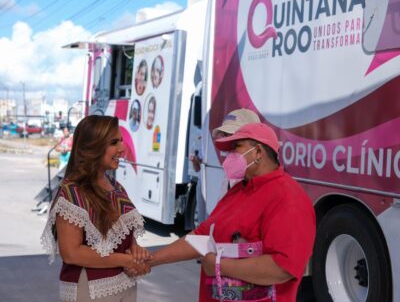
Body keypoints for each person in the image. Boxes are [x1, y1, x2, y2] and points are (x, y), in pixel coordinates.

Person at [147, 122, 316, 302]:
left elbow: (283, 267)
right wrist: (151, 260)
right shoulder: (239, 190)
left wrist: (220, 266)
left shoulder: (288, 197)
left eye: (236, 147)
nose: (229, 156)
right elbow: (201, 236)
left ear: (258, 152)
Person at [41, 115, 151, 302]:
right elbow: (71, 253)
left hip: (124, 283)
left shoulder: (116, 187)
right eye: (114, 142)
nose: (122, 148)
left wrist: (136, 251)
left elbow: (123, 238)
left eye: (121, 140)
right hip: (91, 289)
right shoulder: (72, 192)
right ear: (93, 147)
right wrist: (126, 260)